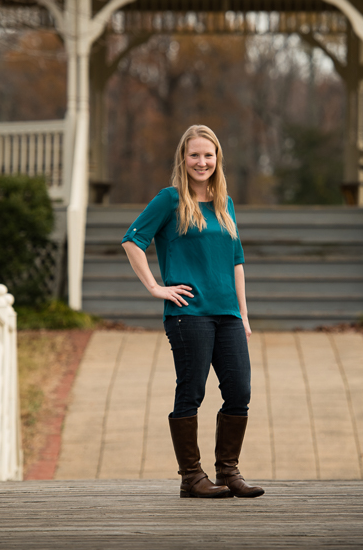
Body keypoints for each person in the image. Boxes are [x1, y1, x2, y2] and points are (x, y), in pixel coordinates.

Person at [122, 125, 263, 499]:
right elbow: (132, 240)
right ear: (183, 160)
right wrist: (155, 287)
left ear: (218, 159)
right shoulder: (169, 200)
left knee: (239, 392)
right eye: (195, 155)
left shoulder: (225, 203)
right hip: (189, 314)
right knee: (192, 391)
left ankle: (228, 471)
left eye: (209, 155)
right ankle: (191, 477)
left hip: (228, 313)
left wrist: (244, 314)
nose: (202, 162)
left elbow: (237, 262)